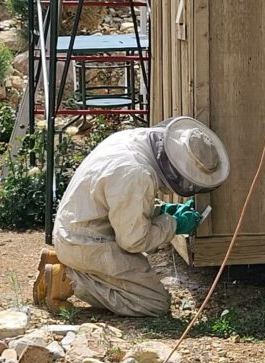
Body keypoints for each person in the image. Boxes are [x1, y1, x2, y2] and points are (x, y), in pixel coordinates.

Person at [32, 116, 230, 316]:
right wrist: (173, 224)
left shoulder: (132, 140)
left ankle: (67, 260)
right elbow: (133, 240)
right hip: (87, 243)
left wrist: (162, 210)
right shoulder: (136, 174)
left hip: (79, 230)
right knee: (153, 303)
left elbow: (118, 203)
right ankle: (68, 278)